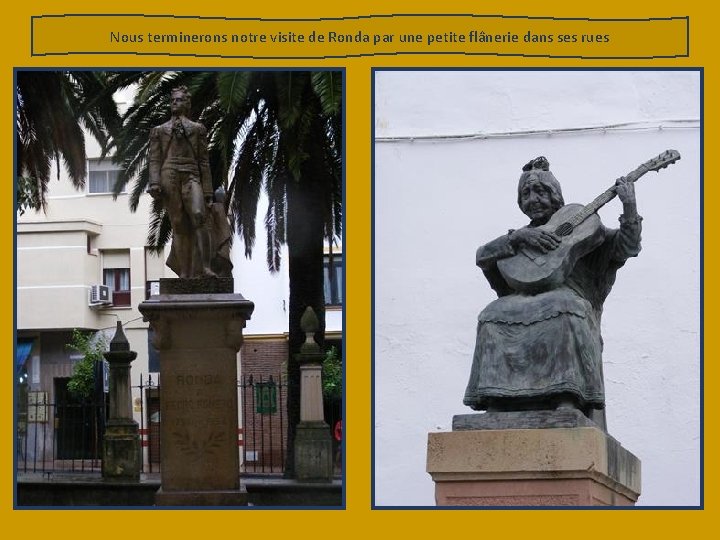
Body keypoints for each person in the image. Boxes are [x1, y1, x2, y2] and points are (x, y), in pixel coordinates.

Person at [463, 156, 642, 426]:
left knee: (565, 307)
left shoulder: (585, 229)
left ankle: (567, 395)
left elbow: (626, 247)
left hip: (572, 301)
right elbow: (482, 256)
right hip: (524, 299)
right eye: (526, 193)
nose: (533, 198)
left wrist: (629, 206)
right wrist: (516, 238)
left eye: (541, 191)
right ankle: (498, 398)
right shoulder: (520, 238)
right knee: (492, 314)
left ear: (555, 196)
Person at [147, 86, 217, 278]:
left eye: (178, 100)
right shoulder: (159, 131)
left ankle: (205, 267)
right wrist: (154, 182)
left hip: (191, 174)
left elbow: (203, 161)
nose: (174, 103)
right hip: (169, 174)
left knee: (198, 215)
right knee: (178, 224)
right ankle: (184, 274)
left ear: (187, 104)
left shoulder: (197, 129)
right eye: (172, 100)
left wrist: (208, 191)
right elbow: (154, 159)